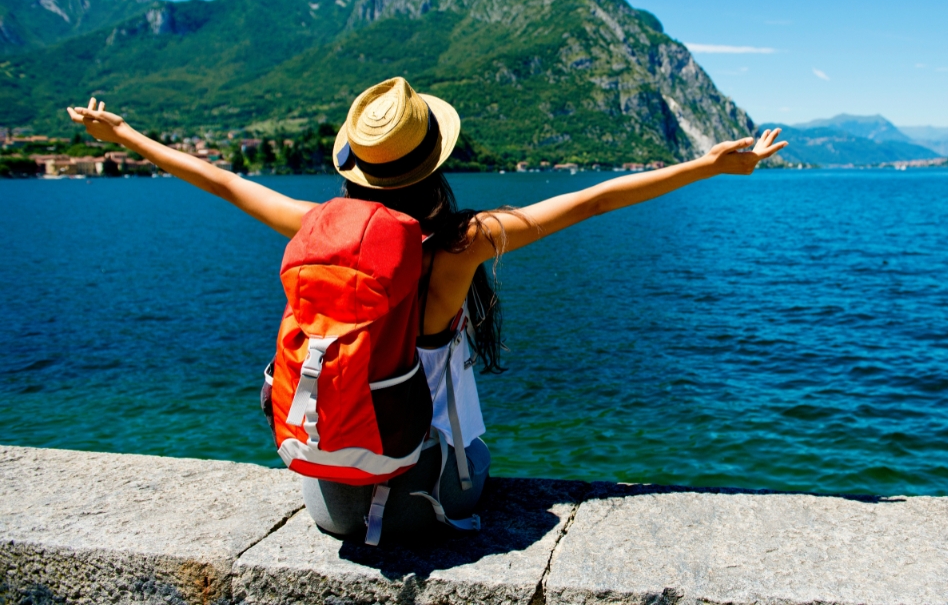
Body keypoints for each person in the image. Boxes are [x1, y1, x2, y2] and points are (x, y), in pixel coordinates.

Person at [66, 76, 787, 541]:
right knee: (477, 447)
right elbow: (595, 200)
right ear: (432, 162)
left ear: (360, 164)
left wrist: (122, 135)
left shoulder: (314, 224)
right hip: (433, 496)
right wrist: (710, 166)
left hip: (328, 498)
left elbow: (221, 183)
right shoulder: (459, 243)